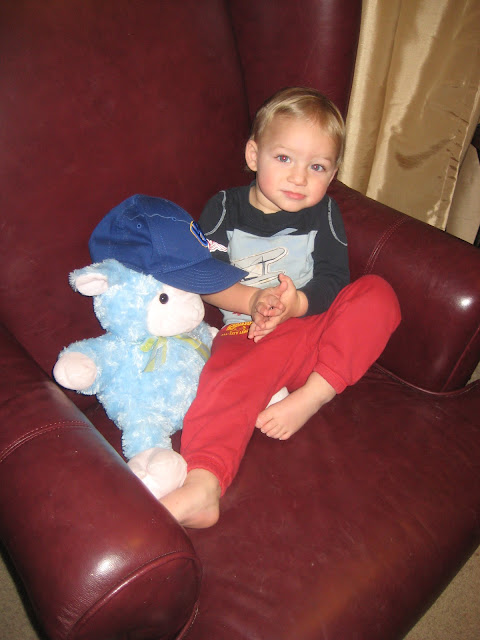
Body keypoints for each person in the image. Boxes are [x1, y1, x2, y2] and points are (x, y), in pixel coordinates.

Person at [160, 87, 401, 528]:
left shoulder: (324, 213)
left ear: (333, 174)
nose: (299, 178)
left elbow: (334, 279)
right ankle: (204, 484)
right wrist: (254, 301)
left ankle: (314, 395)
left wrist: (298, 304)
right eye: (284, 158)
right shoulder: (224, 207)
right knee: (224, 381)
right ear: (254, 155)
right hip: (250, 333)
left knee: (378, 293)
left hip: (317, 333)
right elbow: (205, 277)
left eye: (317, 167)